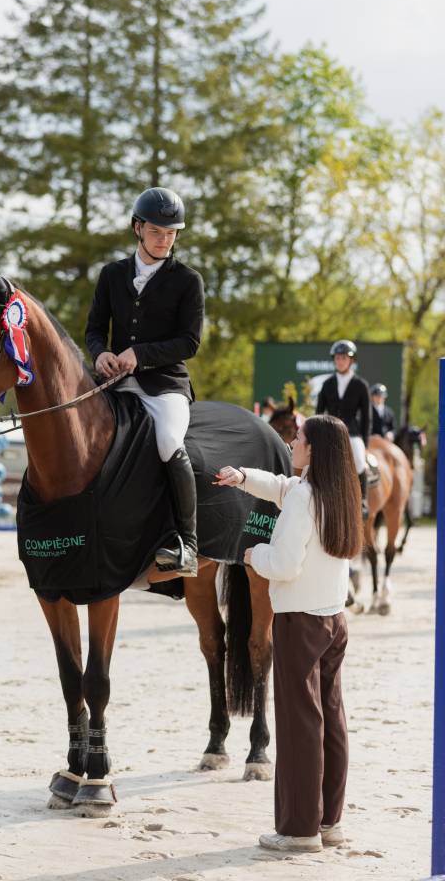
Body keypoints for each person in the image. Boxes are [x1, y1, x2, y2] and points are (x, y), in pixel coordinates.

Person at [214, 414, 361, 853]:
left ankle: (299, 830)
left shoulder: (306, 498)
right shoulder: (339, 493)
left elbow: (284, 565)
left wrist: (253, 554)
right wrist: (242, 478)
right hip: (334, 620)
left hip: (300, 623)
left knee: (300, 728)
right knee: (331, 722)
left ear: (313, 449)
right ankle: (329, 821)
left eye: (298, 439)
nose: (292, 443)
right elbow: (282, 487)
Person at [85, 187, 205, 577]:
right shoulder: (112, 274)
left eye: (171, 233)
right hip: (114, 382)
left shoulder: (188, 280)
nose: (164, 240)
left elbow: (189, 342)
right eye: (156, 231)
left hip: (165, 385)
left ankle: (187, 543)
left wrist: (141, 355)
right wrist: (101, 353)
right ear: (138, 228)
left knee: (169, 441)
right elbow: (94, 330)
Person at [315, 339, 371, 519]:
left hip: (352, 433)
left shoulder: (361, 385)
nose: (340, 361)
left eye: (344, 358)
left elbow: (366, 417)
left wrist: (366, 442)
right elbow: (319, 411)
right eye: (337, 358)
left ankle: (362, 500)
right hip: (330, 430)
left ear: (351, 360)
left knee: (361, 462)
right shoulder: (327, 383)